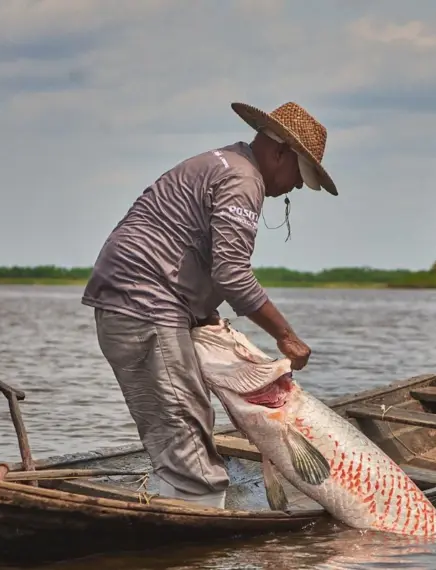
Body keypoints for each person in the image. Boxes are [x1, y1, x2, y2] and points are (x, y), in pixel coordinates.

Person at [81, 101, 339, 508]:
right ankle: (197, 519)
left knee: (186, 420)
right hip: (145, 304)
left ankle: (181, 502)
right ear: (280, 153)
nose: (294, 188)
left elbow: (191, 255)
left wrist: (207, 319)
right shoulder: (243, 180)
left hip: (140, 299)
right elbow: (232, 274)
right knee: (184, 427)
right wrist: (286, 337)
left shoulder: (226, 163)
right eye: (299, 177)